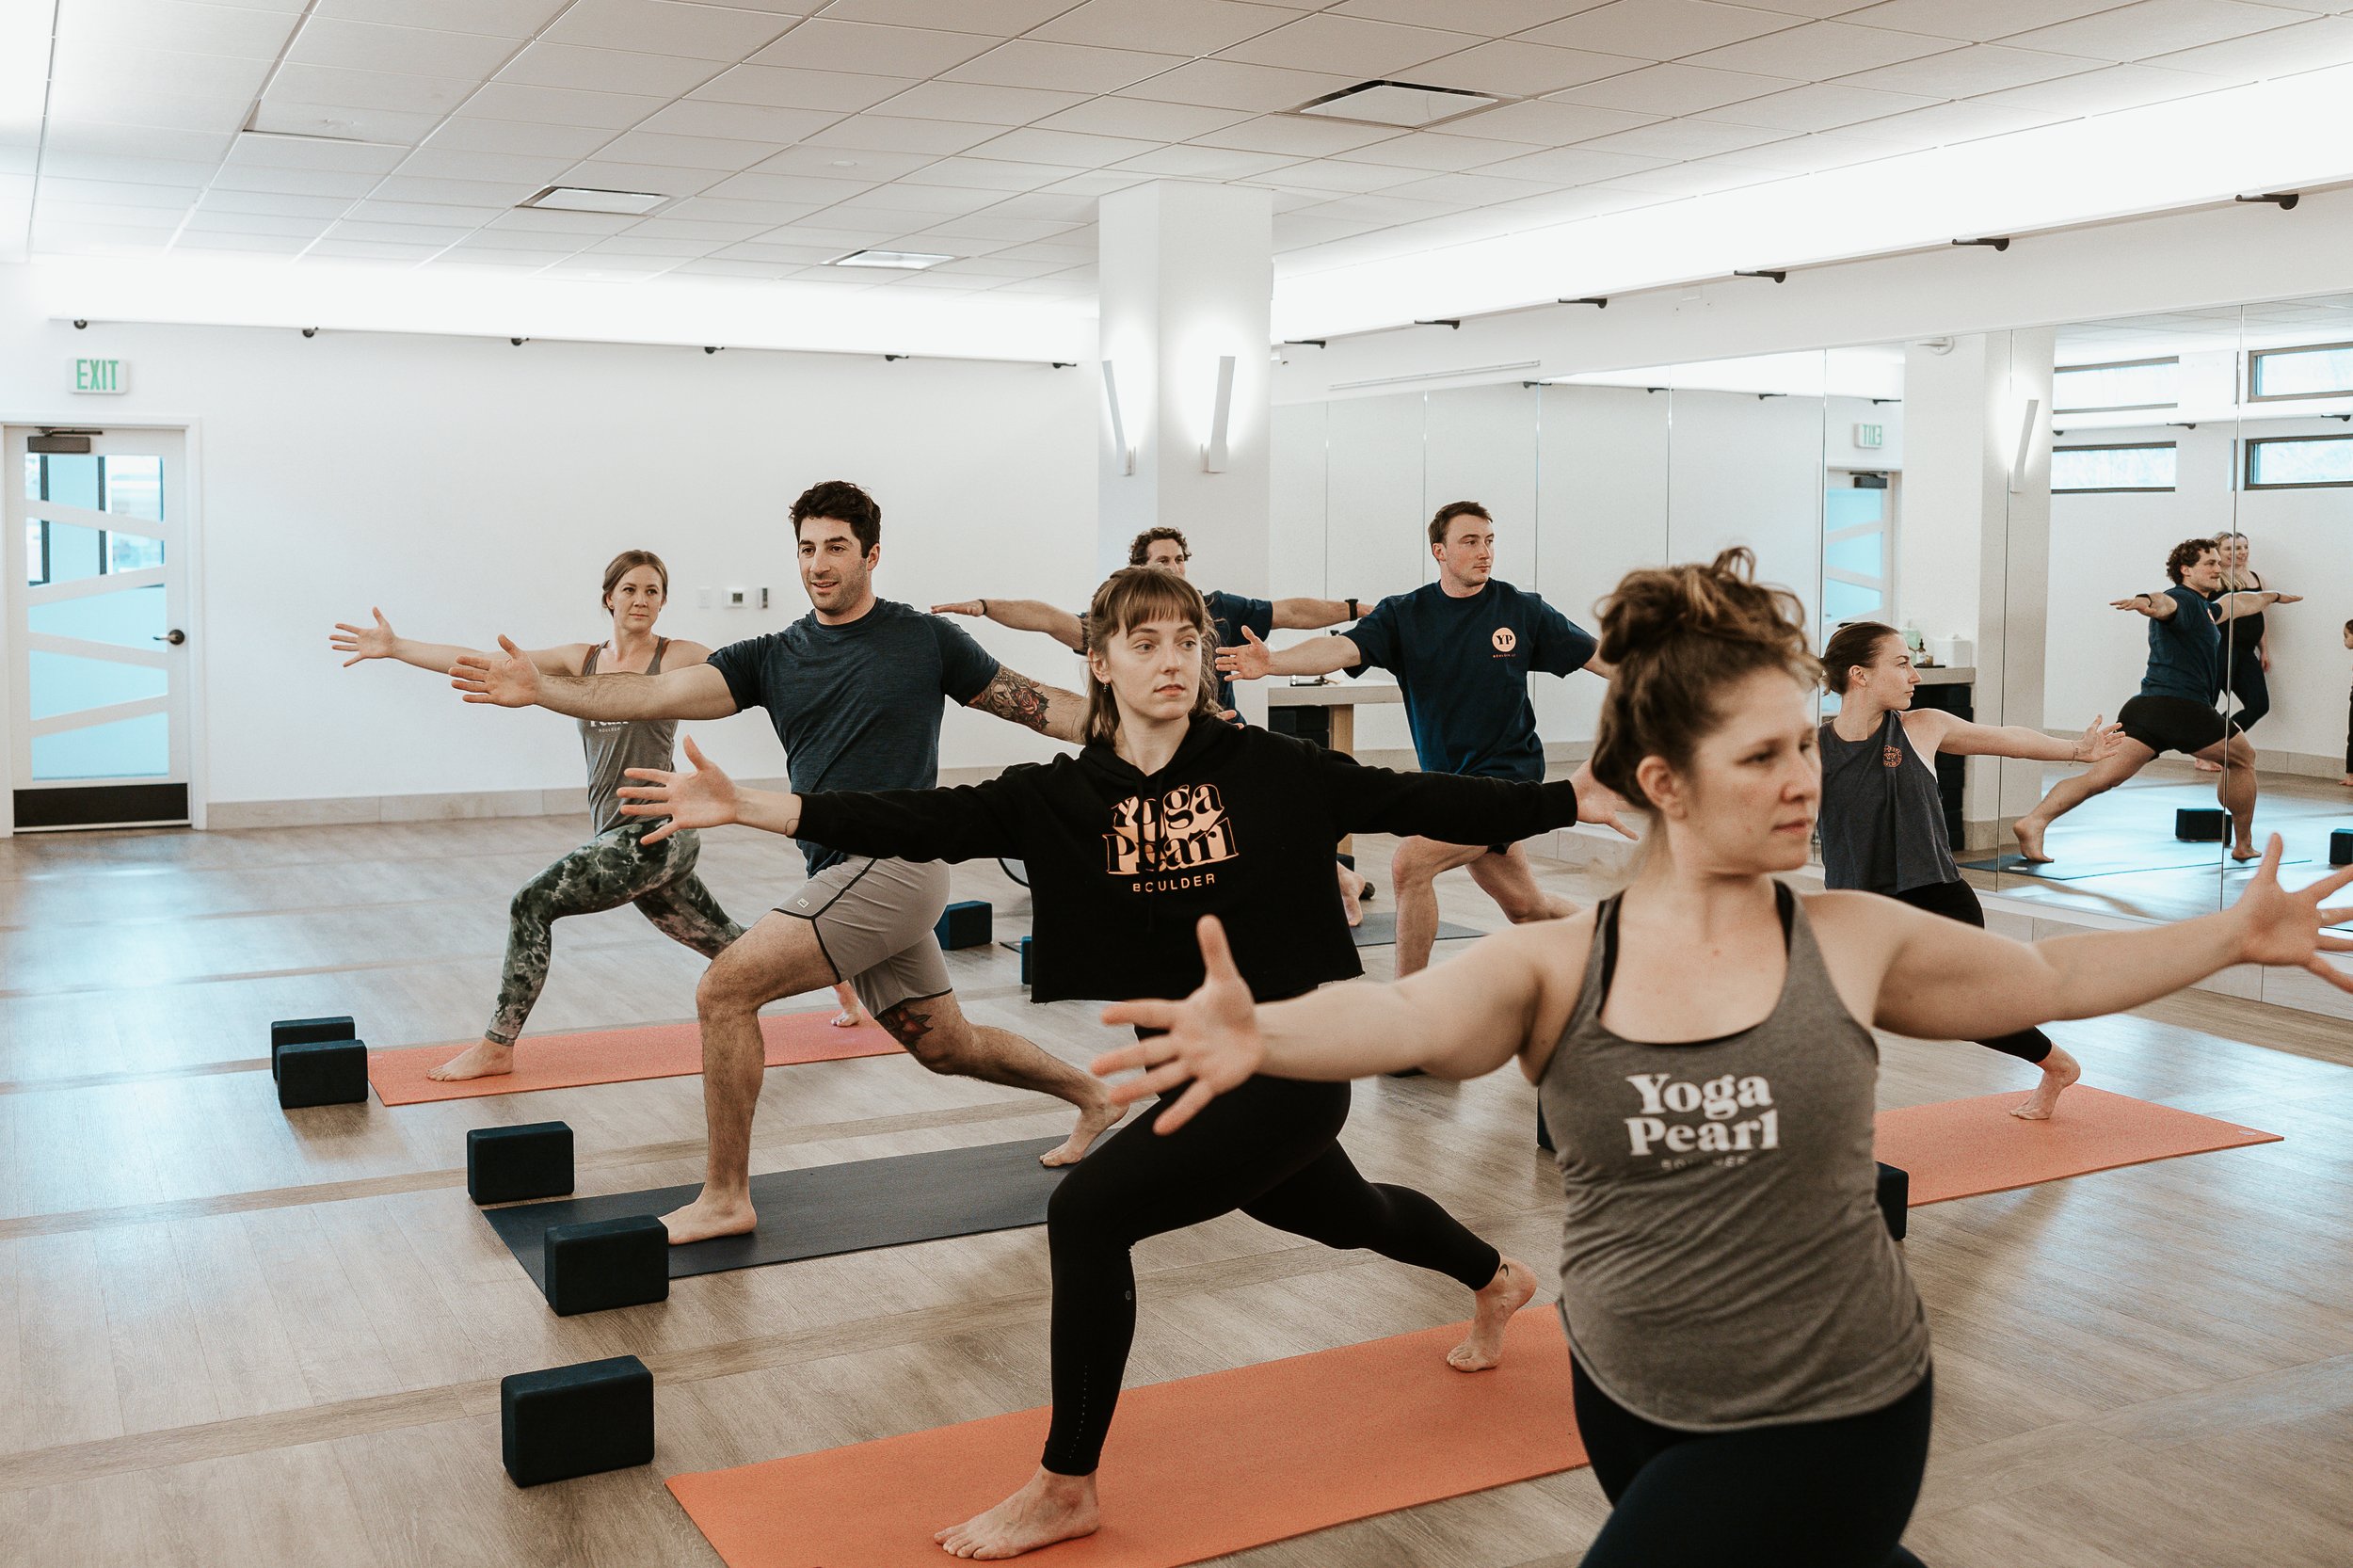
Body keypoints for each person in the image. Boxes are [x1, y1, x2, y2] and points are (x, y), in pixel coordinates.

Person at [1097, 549, 2353, 1568]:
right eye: (1764, 756)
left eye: (1802, 744)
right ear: (1666, 782)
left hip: (1838, 1398)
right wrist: (1264, 1031)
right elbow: (1411, 1021)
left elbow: (2057, 978)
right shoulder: (1559, 964)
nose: (1805, 777)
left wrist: (2232, 931)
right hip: (1624, 1385)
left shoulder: (1851, 939)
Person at [618, 567, 1629, 1560]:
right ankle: (1498, 1277)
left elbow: (1408, 793)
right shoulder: (1065, 795)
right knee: (1339, 1212)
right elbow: (921, 818)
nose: (1172, 661)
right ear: (1097, 661)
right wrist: (754, 808)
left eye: (1187, 641)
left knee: (1087, 1210)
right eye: (1144, 644)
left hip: (1291, 1060)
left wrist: (1563, 799)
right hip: (1189, 1068)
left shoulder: (1266, 767)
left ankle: (1067, 1485)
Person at [450, 481, 1121, 1244]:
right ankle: (1093, 1094)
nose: (819, 564)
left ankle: (726, 1196)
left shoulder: (924, 641)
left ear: (871, 554)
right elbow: (654, 691)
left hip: (896, 861)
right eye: (807, 548)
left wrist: (1147, 727)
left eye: (836, 547)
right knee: (944, 1045)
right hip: (840, 873)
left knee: (725, 989)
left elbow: (1034, 704)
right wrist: (545, 689)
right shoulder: (775, 658)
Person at [331, 550, 776, 1080]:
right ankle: (837, 973)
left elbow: (750, 677)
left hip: (659, 831)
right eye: (630, 589)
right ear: (608, 597)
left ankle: (497, 1046)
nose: (641, 600)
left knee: (531, 903)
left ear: (663, 602)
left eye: (652, 591)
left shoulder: (678, 656)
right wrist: (397, 647)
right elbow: (481, 661)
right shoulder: (579, 660)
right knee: (725, 941)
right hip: (617, 833)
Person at [1219, 500, 1609, 981]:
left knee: (1411, 864)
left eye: (1489, 541)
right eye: (1470, 542)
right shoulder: (1405, 615)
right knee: (1526, 908)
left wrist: (1672, 683)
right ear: (1439, 550)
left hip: (1509, 779)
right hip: (1447, 784)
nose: (1484, 552)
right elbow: (1342, 648)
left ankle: (1409, 1003)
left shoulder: (1521, 609)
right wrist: (1274, 661)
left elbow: (1599, 658)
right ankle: (1623, 942)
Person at [935, 525, 1380, 920]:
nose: (1175, 567)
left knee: (1262, 826)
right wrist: (985, 605)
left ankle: (1336, 881)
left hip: (1219, 740)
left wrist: (1358, 609)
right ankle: (1337, 880)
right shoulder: (1121, 620)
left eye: (1180, 559)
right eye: (1163, 560)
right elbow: (1051, 619)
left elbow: (1291, 612)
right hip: (1156, 753)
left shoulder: (1219, 607)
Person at [1818, 621, 2130, 1118]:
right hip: (1857, 909)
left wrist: (2076, 750)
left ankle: (2057, 1066)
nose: (1914, 675)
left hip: (1935, 898)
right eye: (1901, 663)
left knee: (1969, 1015)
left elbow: (2008, 739)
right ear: (1859, 674)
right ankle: (1824, 1120)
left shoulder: (1923, 726)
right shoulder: (1812, 749)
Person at [2011, 538, 2298, 865]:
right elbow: (2164, 603)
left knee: (2101, 778)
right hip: (2182, 708)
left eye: (2219, 563)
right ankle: (2243, 844)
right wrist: (2145, 601)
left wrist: (2273, 597)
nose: (2218, 568)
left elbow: (2240, 603)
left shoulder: (2206, 609)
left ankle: (2033, 821)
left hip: (2148, 708)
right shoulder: (2184, 600)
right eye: (2210, 563)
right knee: (2243, 758)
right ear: (2185, 570)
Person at [2194, 532, 2280, 772]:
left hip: (2246, 651)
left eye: (2243, 547)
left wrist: (2264, 650)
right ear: (2219, 554)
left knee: (2259, 704)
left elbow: (2259, 614)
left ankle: (2215, 746)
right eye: (2231, 549)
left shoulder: (2256, 578)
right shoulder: (2216, 579)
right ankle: (2204, 755)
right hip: (2220, 649)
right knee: (2208, 703)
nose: (2239, 553)